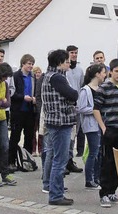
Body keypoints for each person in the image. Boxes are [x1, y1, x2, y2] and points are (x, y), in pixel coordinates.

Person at [42, 50, 78, 205]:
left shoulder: (47, 76)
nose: (68, 64)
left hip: (53, 121)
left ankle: (55, 191)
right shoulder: (57, 78)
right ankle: (56, 195)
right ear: (60, 62)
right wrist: (72, 99)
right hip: (61, 122)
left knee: (56, 157)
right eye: (66, 61)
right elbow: (73, 95)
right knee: (60, 160)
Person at [94, 59, 118, 208]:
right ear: (111, 72)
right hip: (109, 128)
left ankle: (112, 191)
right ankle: (104, 193)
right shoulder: (104, 88)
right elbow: (96, 109)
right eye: (116, 71)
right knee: (107, 162)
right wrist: (103, 127)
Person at [79, 64, 107, 189]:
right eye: (103, 72)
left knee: (99, 152)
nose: (105, 75)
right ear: (97, 74)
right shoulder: (86, 90)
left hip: (100, 124)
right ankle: (89, 180)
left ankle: (97, 177)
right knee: (93, 152)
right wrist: (95, 110)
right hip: (91, 125)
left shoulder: (101, 88)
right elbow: (81, 108)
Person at [9, 54, 38, 169]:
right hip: (18, 111)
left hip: (30, 111)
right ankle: (11, 161)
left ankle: (27, 160)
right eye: (29, 64)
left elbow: (35, 91)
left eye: (32, 64)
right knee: (15, 137)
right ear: (23, 64)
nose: (30, 66)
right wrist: (22, 97)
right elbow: (11, 93)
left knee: (29, 137)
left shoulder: (33, 77)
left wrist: (35, 98)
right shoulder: (15, 76)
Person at [64, 45, 84, 172]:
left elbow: (81, 86)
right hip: (67, 106)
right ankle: (64, 161)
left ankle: (70, 160)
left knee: (74, 135)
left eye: (76, 53)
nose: (74, 55)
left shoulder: (80, 70)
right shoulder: (64, 70)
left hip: (77, 106)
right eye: (72, 53)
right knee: (66, 135)